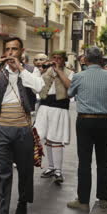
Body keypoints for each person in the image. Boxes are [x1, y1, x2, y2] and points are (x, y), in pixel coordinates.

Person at [0, 37, 44, 214]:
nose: (10, 53)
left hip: (23, 128)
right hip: (0, 128)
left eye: (14, 49)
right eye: (8, 49)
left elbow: (39, 88)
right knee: (3, 174)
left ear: (21, 51)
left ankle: (22, 201)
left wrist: (20, 69)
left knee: (25, 171)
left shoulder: (31, 70)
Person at [67, 46, 107, 212]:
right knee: (104, 161)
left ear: (86, 60)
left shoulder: (79, 76)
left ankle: (83, 201)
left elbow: (70, 93)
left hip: (85, 121)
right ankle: (103, 198)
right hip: (105, 121)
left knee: (85, 162)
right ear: (101, 59)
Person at [34, 50, 73, 184]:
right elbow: (35, 86)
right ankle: (51, 167)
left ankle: (58, 170)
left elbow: (71, 88)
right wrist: (42, 70)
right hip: (45, 107)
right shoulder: (45, 71)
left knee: (56, 140)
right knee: (47, 139)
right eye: (54, 58)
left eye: (59, 58)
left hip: (60, 108)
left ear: (64, 60)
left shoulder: (70, 73)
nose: (56, 60)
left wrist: (59, 72)